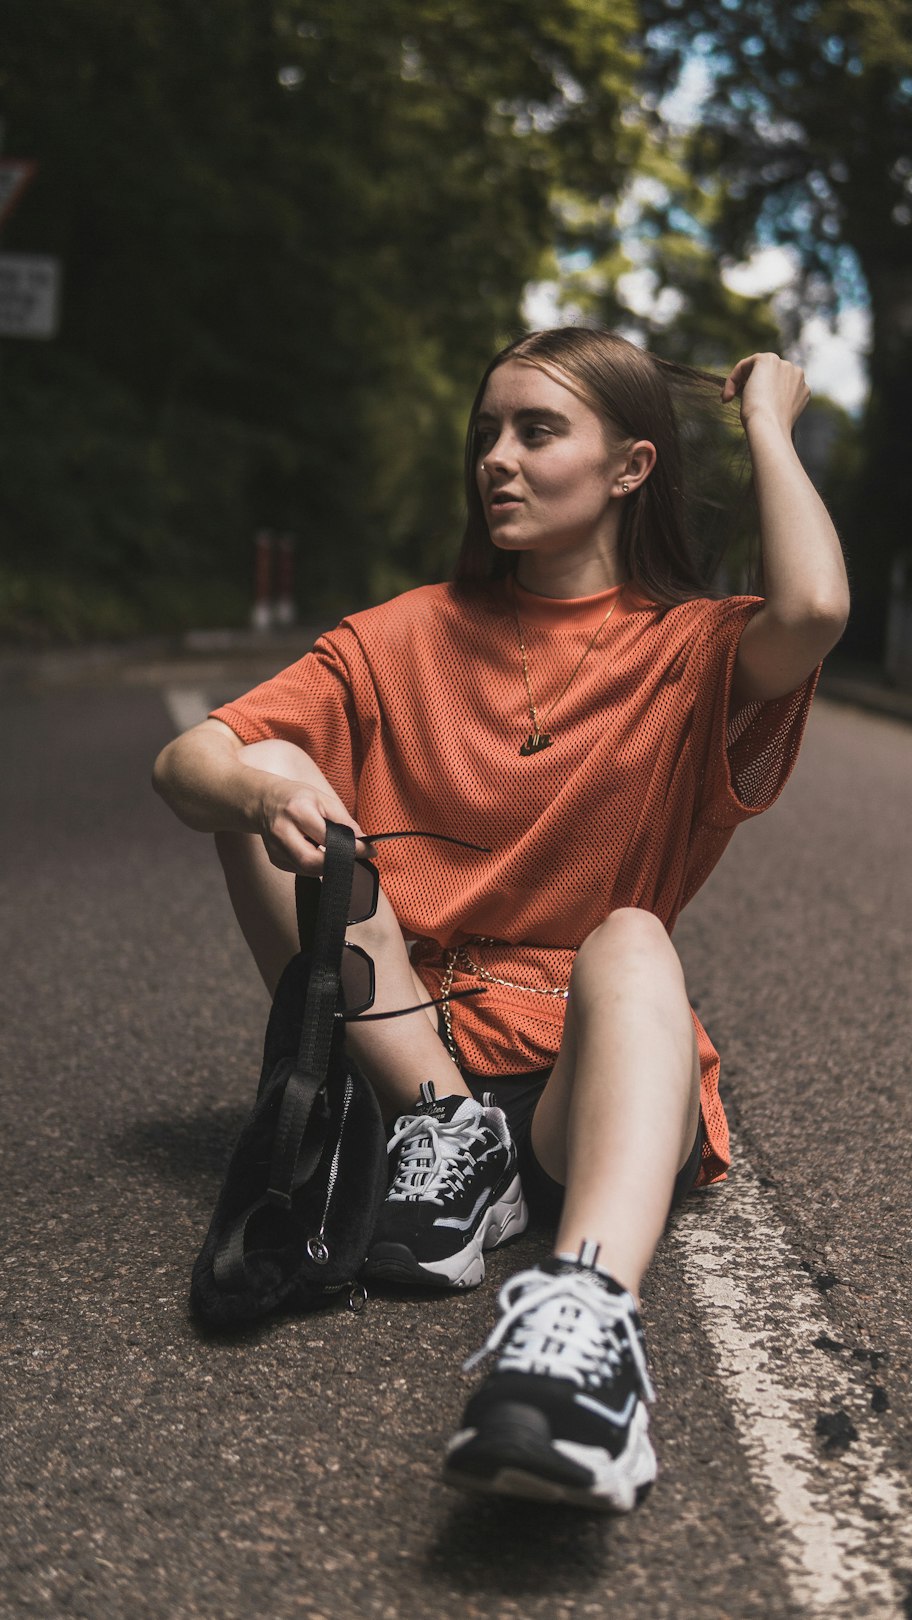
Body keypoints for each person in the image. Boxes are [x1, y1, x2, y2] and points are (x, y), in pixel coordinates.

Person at [153, 326, 849, 1513]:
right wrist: (267, 787)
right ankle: (447, 1135)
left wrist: (769, 425)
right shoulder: (400, 635)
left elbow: (817, 605)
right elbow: (189, 759)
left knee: (633, 939)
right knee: (267, 775)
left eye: (538, 431)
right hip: (407, 1061)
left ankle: (581, 1336)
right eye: (487, 434)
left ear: (631, 468)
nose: (499, 461)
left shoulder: (689, 649)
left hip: (584, 1084)